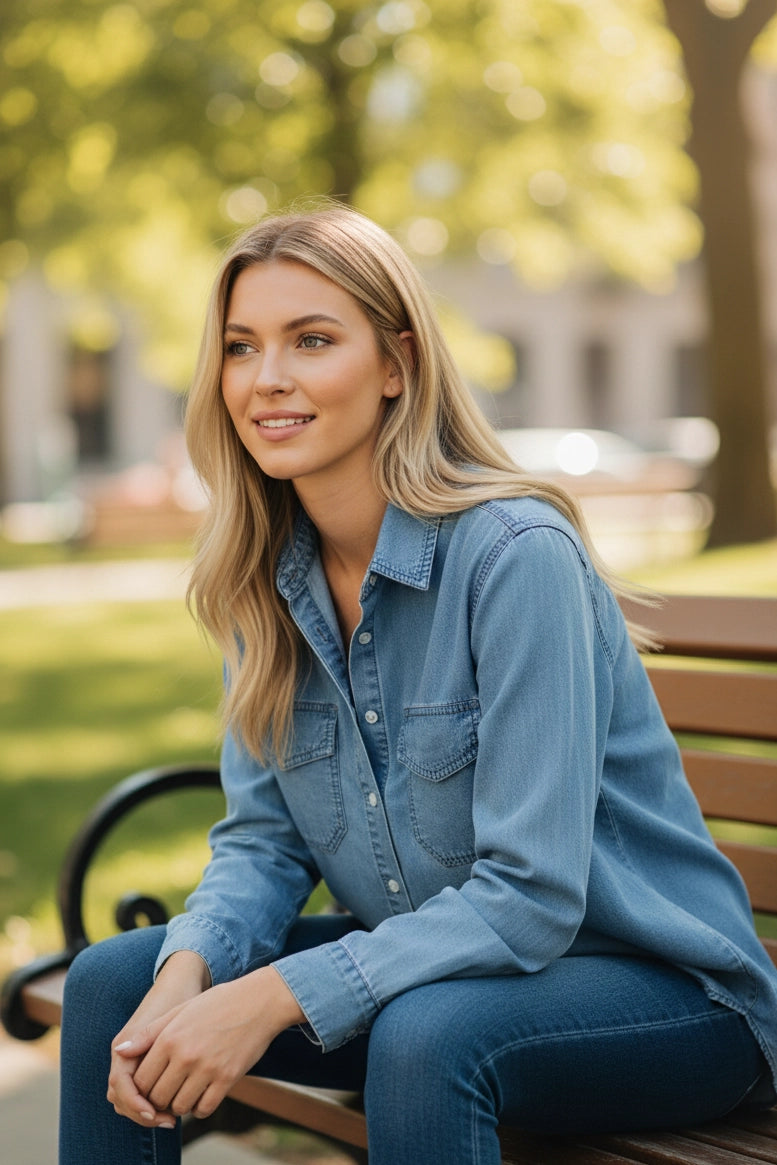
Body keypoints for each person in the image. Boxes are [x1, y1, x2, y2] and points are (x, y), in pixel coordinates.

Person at [60, 203, 777, 1165]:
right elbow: (264, 845)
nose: (267, 378)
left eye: (311, 340)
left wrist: (269, 996)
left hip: (664, 997)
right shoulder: (263, 575)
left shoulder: (513, 557)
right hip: (442, 978)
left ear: (396, 363)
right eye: (240, 346)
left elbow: (529, 897)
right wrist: (188, 973)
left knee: (427, 1033)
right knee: (119, 983)